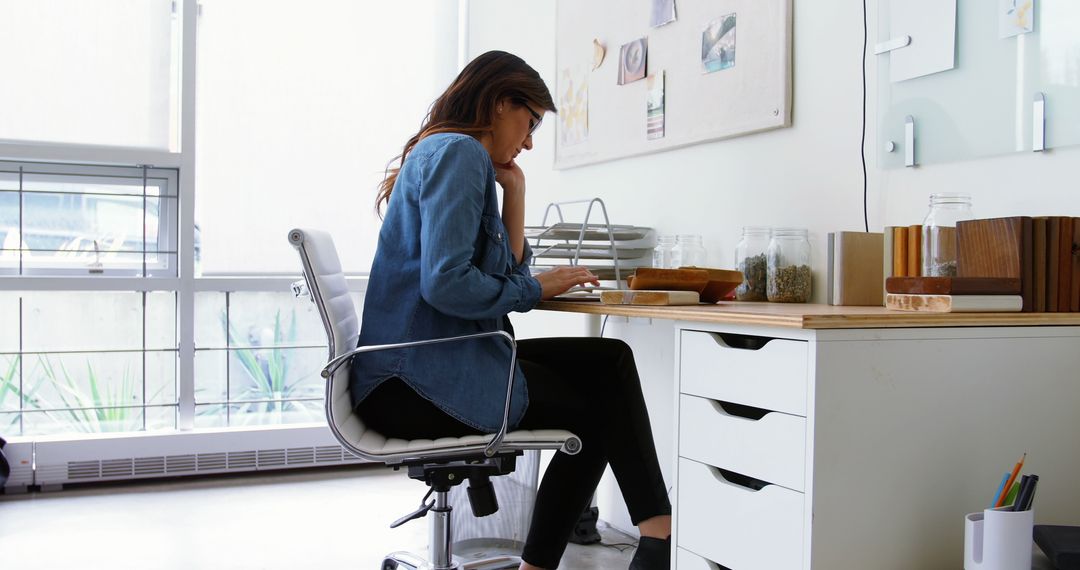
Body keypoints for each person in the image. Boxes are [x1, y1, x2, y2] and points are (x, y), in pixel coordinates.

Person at [351, 50, 672, 570]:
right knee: (595, 414)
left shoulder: (455, 156)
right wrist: (536, 288)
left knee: (609, 360)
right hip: (416, 380)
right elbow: (447, 284)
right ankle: (594, 555)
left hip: (431, 363)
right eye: (529, 123)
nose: (527, 142)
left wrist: (516, 194)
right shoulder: (458, 153)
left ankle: (658, 537)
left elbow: (503, 277)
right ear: (501, 103)